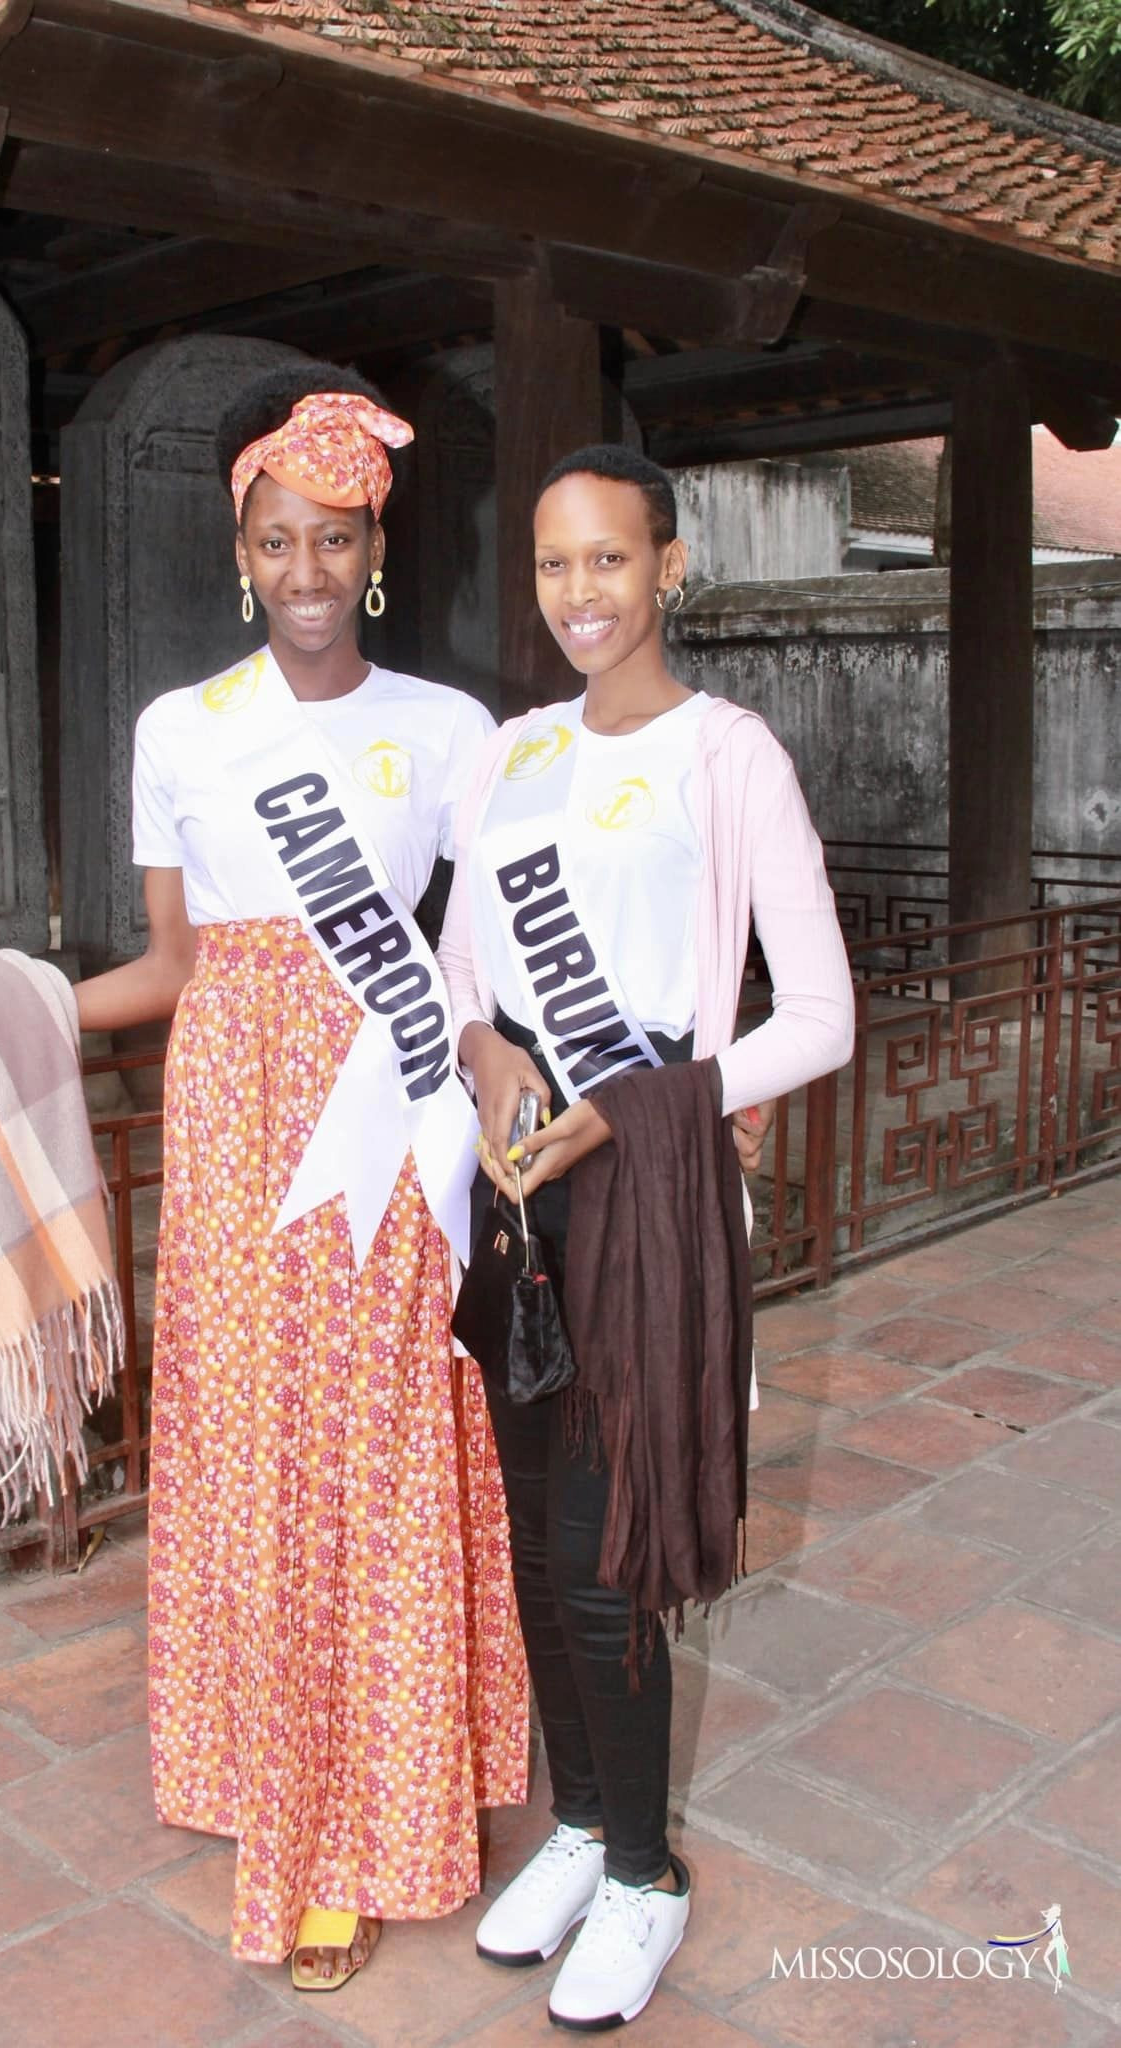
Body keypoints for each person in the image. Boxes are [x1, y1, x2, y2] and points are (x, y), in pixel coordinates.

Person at [0, 365, 527, 1993]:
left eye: (332, 539)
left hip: (383, 1125)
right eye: (276, 540)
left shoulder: (449, 734)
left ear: (374, 552)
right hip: (232, 1136)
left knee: (379, 1454)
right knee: (262, 1462)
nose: (304, 570)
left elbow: (473, 968)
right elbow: (172, 967)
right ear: (239, 554)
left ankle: (358, 1822)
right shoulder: (179, 733)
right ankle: (259, 1771)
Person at [438, 443, 853, 2031]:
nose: (579, 594)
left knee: (606, 1563)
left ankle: (645, 1877)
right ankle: (584, 1827)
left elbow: (817, 1017)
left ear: (668, 565)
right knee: (537, 1546)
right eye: (553, 565)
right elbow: (465, 974)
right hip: (514, 1195)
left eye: (608, 560)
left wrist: (639, 1103)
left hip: (646, 1194)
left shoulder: (728, 755)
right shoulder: (510, 757)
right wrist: (485, 1056)